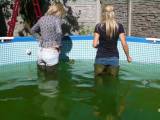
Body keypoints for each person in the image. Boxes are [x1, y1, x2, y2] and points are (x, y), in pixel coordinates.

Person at [93, 5, 132, 77]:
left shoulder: (98, 26)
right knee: (113, 82)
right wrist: (128, 56)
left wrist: (101, 45)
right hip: (114, 58)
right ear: (113, 14)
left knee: (98, 81)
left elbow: (94, 44)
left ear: (103, 14)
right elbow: (124, 44)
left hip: (100, 57)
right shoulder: (119, 26)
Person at [31, 3, 65, 71]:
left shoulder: (42, 19)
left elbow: (32, 30)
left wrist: (40, 38)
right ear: (59, 11)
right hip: (51, 52)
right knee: (51, 79)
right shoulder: (56, 19)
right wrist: (58, 46)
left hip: (40, 51)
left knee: (41, 77)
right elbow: (59, 33)